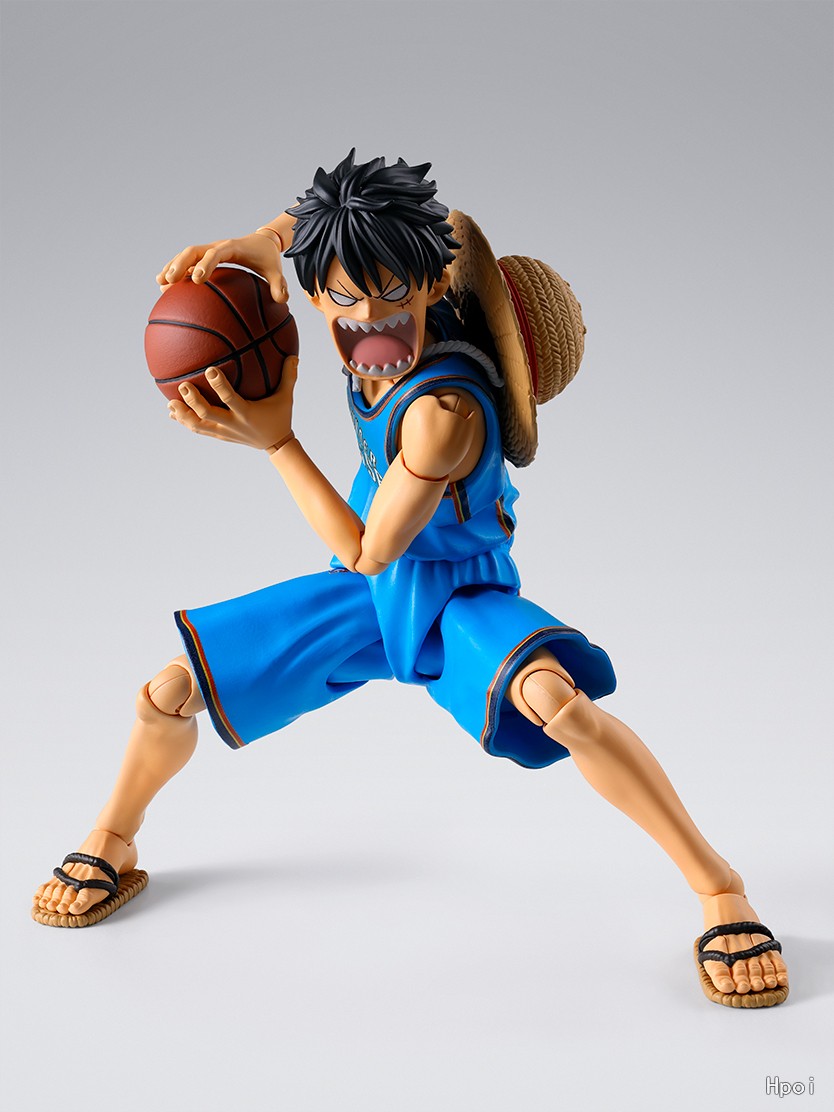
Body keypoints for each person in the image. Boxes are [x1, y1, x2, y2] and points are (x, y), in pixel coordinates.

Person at [34, 151, 788, 1009]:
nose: (369, 317)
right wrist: (263, 240)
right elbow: (327, 219)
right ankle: (115, 839)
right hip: (369, 598)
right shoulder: (354, 300)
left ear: (434, 284)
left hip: (453, 593)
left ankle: (720, 887)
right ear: (314, 292)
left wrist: (277, 441)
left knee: (562, 705)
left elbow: (367, 549)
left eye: (392, 293)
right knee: (167, 691)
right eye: (344, 297)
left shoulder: (442, 414)